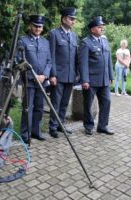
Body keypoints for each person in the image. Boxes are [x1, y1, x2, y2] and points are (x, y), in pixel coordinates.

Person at [18, 15, 52, 142]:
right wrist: (33, 75)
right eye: (35, 26)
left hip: (42, 81)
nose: (38, 28)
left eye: (40, 26)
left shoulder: (45, 42)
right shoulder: (23, 41)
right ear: (30, 26)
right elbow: (20, 61)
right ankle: (25, 134)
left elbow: (49, 61)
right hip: (29, 81)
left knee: (39, 107)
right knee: (28, 108)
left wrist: (45, 75)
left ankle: (36, 132)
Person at [78, 16, 114, 135]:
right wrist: (84, 80)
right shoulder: (86, 42)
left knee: (106, 102)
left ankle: (102, 126)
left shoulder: (104, 40)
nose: (102, 28)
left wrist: (111, 76)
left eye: (102, 27)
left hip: (104, 80)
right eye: (99, 27)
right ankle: (88, 126)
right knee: (88, 104)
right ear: (92, 29)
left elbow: (108, 59)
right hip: (91, 80)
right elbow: (83, 63)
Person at [48, 7, 78, 138]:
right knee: (56, 101)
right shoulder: (54, 34)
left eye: (74, 19)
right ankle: (53, 126)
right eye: (71, 19)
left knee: (65, 102)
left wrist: (77, 74)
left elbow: (75, 57)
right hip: (58, 75)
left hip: (70, 75)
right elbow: (51, 56)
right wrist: (52, 74)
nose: (73, 22)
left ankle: (61, 124)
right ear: (64, 19)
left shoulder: (74, 35)